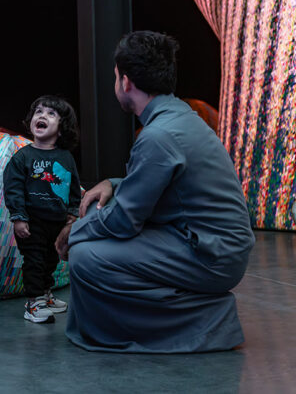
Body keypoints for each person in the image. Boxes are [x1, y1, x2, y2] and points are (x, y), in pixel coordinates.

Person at [55, 30, 255, 352]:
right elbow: (163, 188)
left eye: (115, 77)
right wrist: (112, 183)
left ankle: (206, 322)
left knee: (86, 256)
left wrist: (73, 231)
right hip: (206, 243)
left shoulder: (159, 135)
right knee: (94, 215)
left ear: (126, 83)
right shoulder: (178, 119)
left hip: (212, 256)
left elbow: (124, 221)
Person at [4, 95, 81, 323]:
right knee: (35, 261)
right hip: (32, 221)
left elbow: (73, 186)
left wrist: (72, 212)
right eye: (38, 112)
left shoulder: (65, 157)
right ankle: (34, 303)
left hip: (56, 221)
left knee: (50, 260)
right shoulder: (23, 157)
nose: (42, 116)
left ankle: (45, 295)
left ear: (61, 127)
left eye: (50, 114)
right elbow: (13, 189)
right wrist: (19, 217)